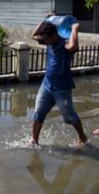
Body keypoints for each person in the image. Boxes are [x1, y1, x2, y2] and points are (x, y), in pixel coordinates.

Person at [30, 16, 88, 146]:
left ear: (55, 35)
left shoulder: (64, 43)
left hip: (62, 88)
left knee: (70, 117)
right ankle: (34, 140)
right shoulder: (49, 41)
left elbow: (73, 46)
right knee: (38, 113)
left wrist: (74, 29)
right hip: (47, 85)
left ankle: (82, 137)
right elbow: (33, 35)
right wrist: (45, 20)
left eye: (47, 39)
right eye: (44, 39)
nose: (45, 42)